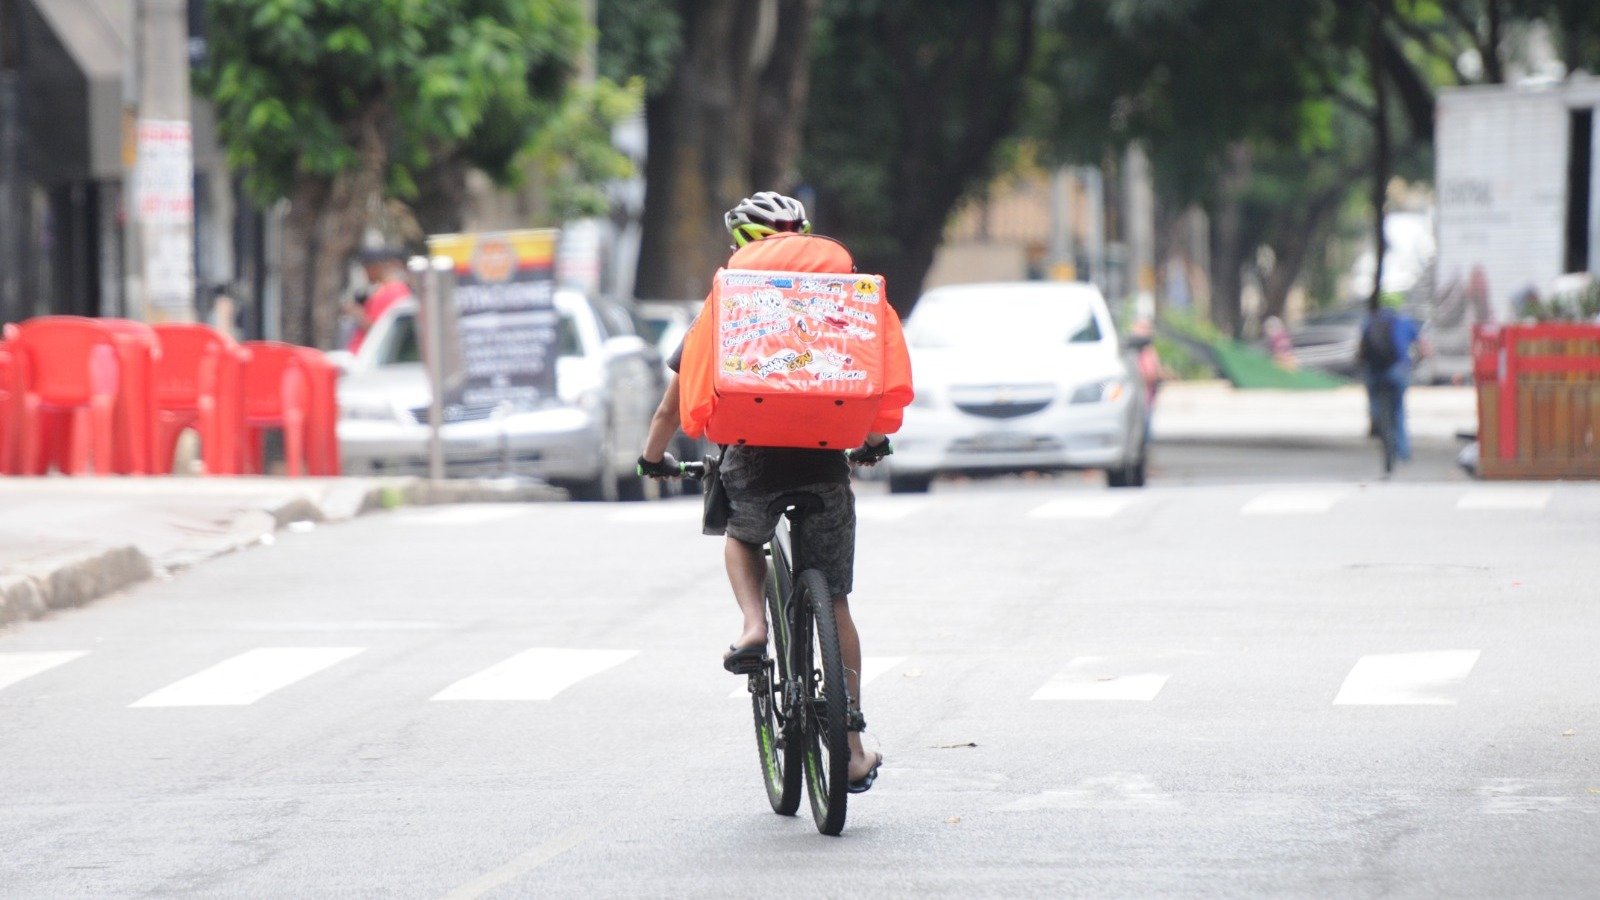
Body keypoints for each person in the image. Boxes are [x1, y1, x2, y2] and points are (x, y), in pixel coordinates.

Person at [636, 191, 895, 794]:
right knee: (834, 603)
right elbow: (863, 375)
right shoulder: (836, 302)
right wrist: (875, 440)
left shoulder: (724, 306)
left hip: (750, 456)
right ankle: (852, 746)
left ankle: (754, 625)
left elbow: (672, 406)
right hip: (824, 459)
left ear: (742, 247)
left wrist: (653, 461)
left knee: (742, 535)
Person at [1358, 292, 1429, 463]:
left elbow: (1361, 348)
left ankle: (1379, 425)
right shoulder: (1405, 321)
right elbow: (1425, 348)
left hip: (1375, 371)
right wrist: (1415, 363)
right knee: (1398, 410)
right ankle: (1403, 452)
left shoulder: (1369, 320)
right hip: (1399, 370)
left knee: (1375, 402)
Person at [343, 247, 413, 353]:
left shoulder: (393, 291)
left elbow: (380, 330)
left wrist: (357, 313)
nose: (364, 274)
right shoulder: (382, 290)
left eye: (366, 269)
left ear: (375, 267)